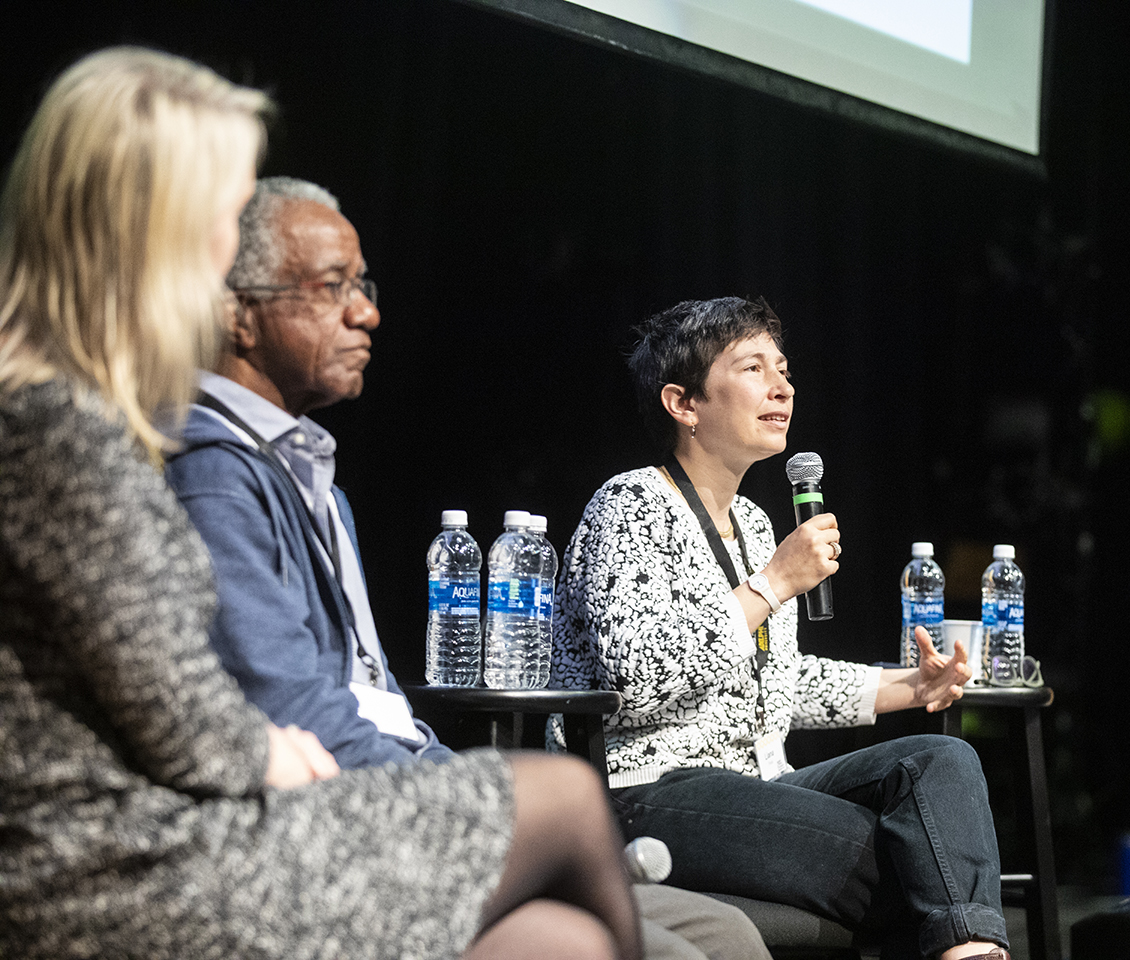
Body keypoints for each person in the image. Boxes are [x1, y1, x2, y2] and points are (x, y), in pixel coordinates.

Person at [0, 48, 640, 960]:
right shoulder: (55, 421)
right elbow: (183, 718)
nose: (228, 254)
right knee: (565, 796)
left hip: (152, 834)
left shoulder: (68, 412)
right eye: (224, 216)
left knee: (558, 939)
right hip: (109, 863)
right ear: (156, 226)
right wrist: (271, 752)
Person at [163, 175, 771, 960]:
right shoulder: (212, 473)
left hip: (397, 779)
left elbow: (372, 688)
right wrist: (455, 797)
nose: (367, 311)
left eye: (365, 285)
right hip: (324, 822)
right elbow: (284, 701)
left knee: (726, 932)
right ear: (235, 312)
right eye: (330, 288)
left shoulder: (317, 484)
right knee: (604, 872)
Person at [551, 297, 1011, 960]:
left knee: (941, 760)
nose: (782, 386)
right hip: (647, 792)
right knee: (916, 862)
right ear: (683, 404)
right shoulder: (631, 505)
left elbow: (777, 683)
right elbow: (636, 677)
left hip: (757, 784)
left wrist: (908, 686)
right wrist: (770, 586)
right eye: (753, 367)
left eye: (785, 369)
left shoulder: (756, 525)